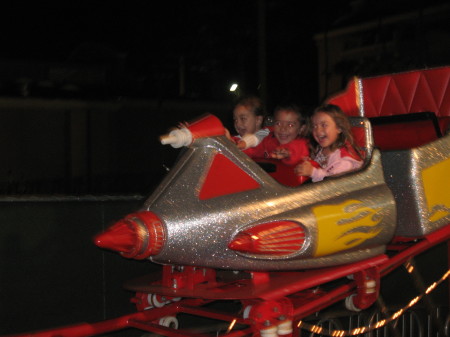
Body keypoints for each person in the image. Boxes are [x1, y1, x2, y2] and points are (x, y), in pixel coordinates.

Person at [294, 104, 363, 182]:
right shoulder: (320, 149)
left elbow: (333, 184)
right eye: (314, 126)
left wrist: (313, 172)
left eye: (324, 125)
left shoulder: (344, 161)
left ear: (339, 128)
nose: (318, 131)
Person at [244, 103, 309, 166]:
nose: (283, 129)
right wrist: (238, 147)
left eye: (290, 125)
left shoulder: (303, 144)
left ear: (301, 129)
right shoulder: (269, 141)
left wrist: (287, 153)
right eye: (278, 123)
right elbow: (254, 150)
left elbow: (295, 152)